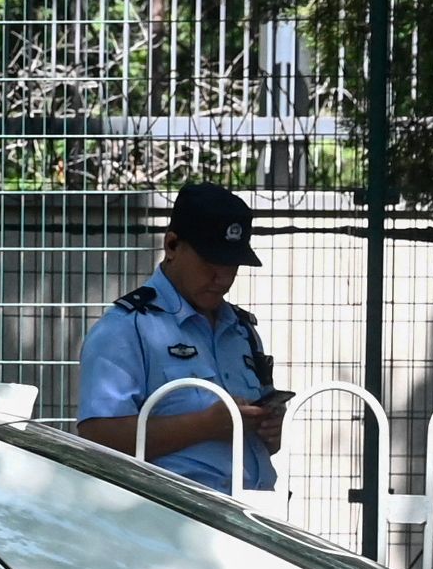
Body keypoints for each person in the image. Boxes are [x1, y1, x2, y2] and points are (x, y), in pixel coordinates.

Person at [76, 181, 280, 493]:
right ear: (172, 245)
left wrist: (269, 429)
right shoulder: (127, 327)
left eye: (232, 265)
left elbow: (265, 436)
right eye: (211, 263)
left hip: (255, 514)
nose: (222, 278)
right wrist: (205, 425)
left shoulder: (241, 330)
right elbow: (97, 438)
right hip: (174, 521)